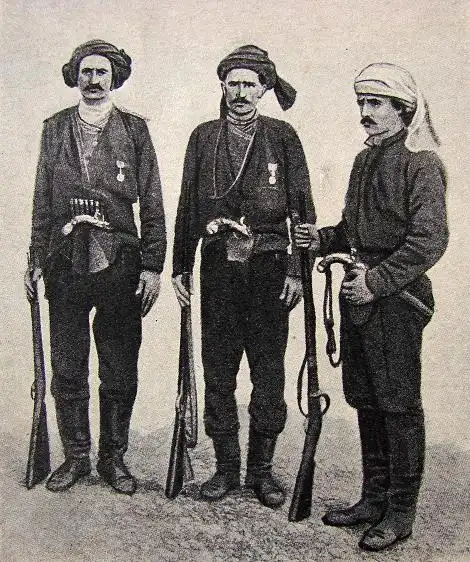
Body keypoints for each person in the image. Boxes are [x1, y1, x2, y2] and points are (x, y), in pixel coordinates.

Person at [294, 63, 448, 550]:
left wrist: (376, 283)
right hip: (359, 296)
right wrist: (322, 239)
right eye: (361, 102)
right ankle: (373, 498)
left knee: (398, 405)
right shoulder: (365, 160)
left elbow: (429, 240)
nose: (365, 111)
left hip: (397, 300)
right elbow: (354, 232)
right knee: (365, 398)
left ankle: (400, 513)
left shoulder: (421, 163)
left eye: (375, 103)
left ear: (402, 108)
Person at [172, 45, 315, 508]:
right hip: (218, 268)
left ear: (263, 89)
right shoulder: (203, 137)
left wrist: (297, 270)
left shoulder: (283, 136)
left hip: (270, 268)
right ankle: (225, 470)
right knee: (219, 369)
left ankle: (262, 472)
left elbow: (303, 210)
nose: (240, 92)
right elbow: (187, 206)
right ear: (222, 86)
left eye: (249, 84)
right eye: (232, 83)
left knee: (269, 371)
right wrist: (181, 266)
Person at [24, 39, 166, 495]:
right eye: (85, 71)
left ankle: (113, 459)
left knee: (119, 366)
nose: (93, 80)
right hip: (65, 262)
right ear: (75, 76)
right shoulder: (54, 129)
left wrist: (152, 265)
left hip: (120, 263)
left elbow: (153, 203)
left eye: (102, 72)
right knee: (68, 366)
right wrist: (36, 259)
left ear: (114, 78)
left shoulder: (135, 130)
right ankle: (76, 458)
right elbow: (42, 200)